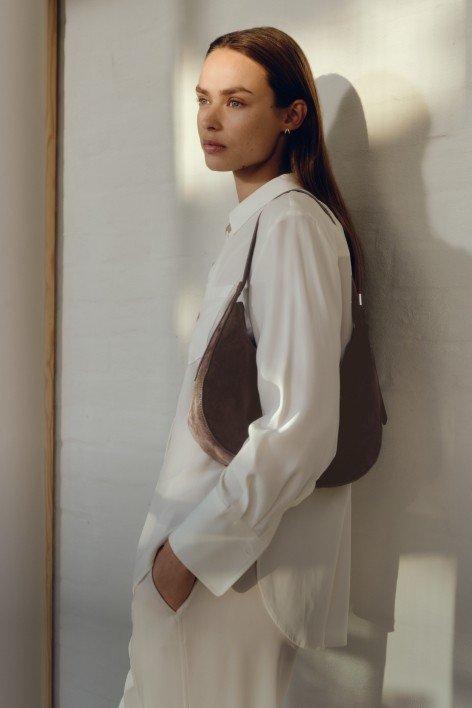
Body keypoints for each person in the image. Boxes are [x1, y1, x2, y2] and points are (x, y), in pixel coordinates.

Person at [119, 25, 361, 708]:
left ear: (292, 115)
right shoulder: (264, 224)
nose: (209, 119)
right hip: (217, 566)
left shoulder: (290, 226)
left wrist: (186, 558)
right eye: (202, 99)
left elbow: (299, 426)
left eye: (237, 101)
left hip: (231, 574)